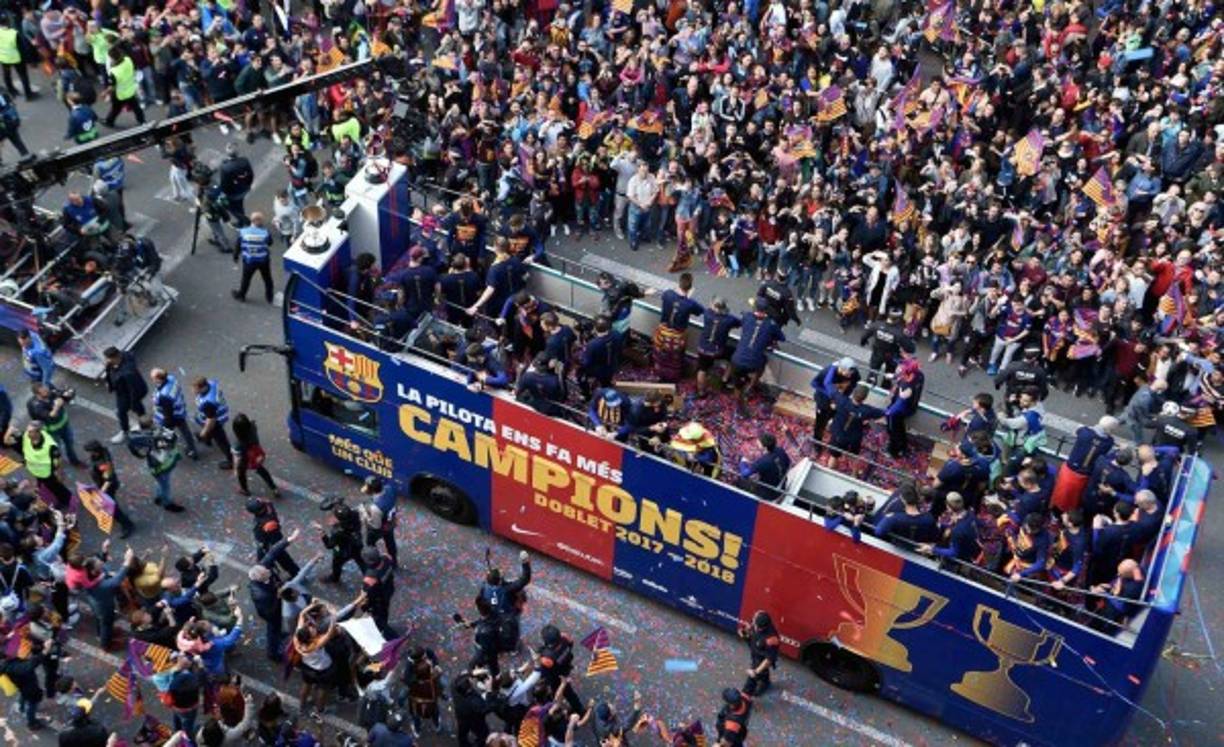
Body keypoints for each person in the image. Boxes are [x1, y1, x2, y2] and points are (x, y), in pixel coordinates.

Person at [1049, 417, 1120, 514]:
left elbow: (1078, 430)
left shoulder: (1085, 432)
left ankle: (1055, 513)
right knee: (1075, 498)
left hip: (1069, 470)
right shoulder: (1109, 442)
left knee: (1060, 494)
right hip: (1085, 474)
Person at [729, 299, 786, 416]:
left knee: (737, 385)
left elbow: (742, 323)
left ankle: (738, 404)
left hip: (737, 360)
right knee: (762, 363)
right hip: (754, 363)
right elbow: (782, 338)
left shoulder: (746, 316)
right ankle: (751, 387)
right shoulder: (771, 324)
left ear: (754, 308)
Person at [653, 272, 703, 382]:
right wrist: (688, 297)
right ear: (690, 288)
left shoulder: (668, 294)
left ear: (679, 283)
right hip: (678, 336)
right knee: (675, 357)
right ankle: (673, 378)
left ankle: (659, 374)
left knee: (660, 354)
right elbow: (700, 311)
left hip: (663, 332)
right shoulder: (690, 303)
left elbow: (667, 297)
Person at [127, 419, 184, 512]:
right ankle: (167, 503)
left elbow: (133, 448)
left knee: (160, 483)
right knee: (165, 485)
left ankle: (159, 497)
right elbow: (170, 441)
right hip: (162, 465)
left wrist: (141, 455)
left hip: (153, 465)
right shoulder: (155, 436)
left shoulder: (136, 435)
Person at [83, 440, 135, 538]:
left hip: (107, 487)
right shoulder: (101, 454)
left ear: (96, 451)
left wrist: (101, 493)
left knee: (112, 507)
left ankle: (127, 525)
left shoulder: (103, 463)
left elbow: (108, 479)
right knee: (111, 504)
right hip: (103, 483)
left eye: (90, 451)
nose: (89, 454)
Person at [26, 382, 83, 466]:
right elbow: (51, 416)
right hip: (53, 431)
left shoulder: (49, 393)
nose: (47, 392)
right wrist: (57, 406)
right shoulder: (36, 406)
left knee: (69, 444)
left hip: (65, 425)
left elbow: (59, 393)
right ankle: (56, 462)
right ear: (38, 395)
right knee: (56, 448)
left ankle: (74, 461)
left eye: (46, 389)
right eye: (44, 392)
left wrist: (67, 393)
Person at [102, 346, 148, 444]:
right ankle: (144, 423)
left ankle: (126, 431)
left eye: (108, 358)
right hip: (124, 390)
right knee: (138, 408)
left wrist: (132, 403)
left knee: (122, 412)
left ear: (114, 358)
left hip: (127, 393)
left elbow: (134, 389)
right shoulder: (123, 358)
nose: (107, 361)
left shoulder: (127, 372)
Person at [21, 421, 72, 508]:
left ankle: (66, 500)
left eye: (30, 431)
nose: (27, 433)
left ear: (38, 432)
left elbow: (58, 459)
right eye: (27, 430)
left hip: (48, 472)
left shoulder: (50, 445)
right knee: (42, 484)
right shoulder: (27, 436)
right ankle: (42, 486)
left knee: (56, 487)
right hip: (37, 470)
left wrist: (59, 473)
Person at [151, 368, 198, 459]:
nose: (152, 380)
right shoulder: (171, 378)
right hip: (179, 410)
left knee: (167, 436)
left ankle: (169, 453)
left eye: (153, 378)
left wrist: (166, 425)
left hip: (172, 417)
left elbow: (168, 413)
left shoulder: (164, 395)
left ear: (158, 379)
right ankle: (192, 449)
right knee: (185, 431)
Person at [813, 357, 861, 445]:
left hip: (839, 402)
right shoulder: (826, 372)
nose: (850, 376)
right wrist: (830, 394)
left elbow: (855, 382)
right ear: (841, 369)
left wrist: (845, 391)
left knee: (836, 419)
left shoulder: (854, 373)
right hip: (823, 401)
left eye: (851, 373)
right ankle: (817, 442)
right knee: (820, 423)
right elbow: (814, 383)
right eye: (848, 374)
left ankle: (832, 433)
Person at [859, 307, 915, 384]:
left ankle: (869, 385)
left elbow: (864, 336)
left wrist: (863, 342)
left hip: (877, 353)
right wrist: (908, 336)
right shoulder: (899, 333)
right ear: (898, 319)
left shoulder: (876, 325)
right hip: (892, 356)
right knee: (889, 376)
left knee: (873, 372)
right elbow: (911, 349)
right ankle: (885, 388)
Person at [230, 413, 279, 497]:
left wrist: (235, 469)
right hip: (256, 454)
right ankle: (273, 488)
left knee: (241, 474)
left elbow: (237, 457)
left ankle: (244, 489)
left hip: (245, 459)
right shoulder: (253, 428)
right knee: (261, 470)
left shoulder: (238, 443)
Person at [884, 358, 925, 458]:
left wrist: (888, 411)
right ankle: (902, 447)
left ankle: (894, 450)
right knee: (899, 428)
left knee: (893, 429)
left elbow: (900, 401)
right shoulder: (919, 376)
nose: (899, 370)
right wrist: (894, 376)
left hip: (899, 410)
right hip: (909, 407)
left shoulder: (907, 387)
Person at [232, 212, 274, 303]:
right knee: (267, 279)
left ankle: (241, 295)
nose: (263, 221)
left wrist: (235, 256)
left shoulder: (243, 232)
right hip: (263, 260)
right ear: (257, 221)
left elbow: (238, 245)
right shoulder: (265, 233)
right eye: (262, 219)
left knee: (246, 279)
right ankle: (269, 297)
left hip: (249, 261)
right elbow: (270, 243)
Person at [192, 377, 233, 469]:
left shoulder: (208, 403)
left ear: (202, 388)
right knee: (210, 432)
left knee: (222, 442)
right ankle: (208, 439)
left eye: (195, 389)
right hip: (219, 413)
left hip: (216, 422)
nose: (193, 391)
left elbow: (211, 421)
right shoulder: (211, 383)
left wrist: (203, 433)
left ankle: (231, 460)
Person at [738, 611, 780, 696]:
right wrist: (745, 634)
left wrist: (755, 671)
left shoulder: (771, 640)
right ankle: (765, 681)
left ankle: (745, 695)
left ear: (760, 628)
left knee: (753, 676)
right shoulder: (758, 620)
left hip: (761, 657)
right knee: (763, 672)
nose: (752, 623)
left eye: (754, 623)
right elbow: (750, 631)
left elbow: (769, 659)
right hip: (755, 650)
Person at [738, 434, 791, 501]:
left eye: (760, 442)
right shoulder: (780, 450)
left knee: (740, 482)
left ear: (765, 447)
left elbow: (744, 474)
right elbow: (788, 462)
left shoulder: (762, 462)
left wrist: (742, 462)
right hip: (782, 485)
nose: (757, 441)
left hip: (771, 495)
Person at [359, 476, 398, 566]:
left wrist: (364, 512)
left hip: (380, 527)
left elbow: (376, 526)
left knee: (370, 544)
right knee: (390, 542)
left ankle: (374, 561)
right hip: (390, 522)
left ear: (371, 491)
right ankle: (394, 562)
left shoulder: (375, 508)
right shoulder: (389, 489)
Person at [102, 45, 143, 126]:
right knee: (136, 107)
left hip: (120, 94)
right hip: (131, 89)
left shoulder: (113, 71)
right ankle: (142, 120)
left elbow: (112, 87)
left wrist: (105, 93)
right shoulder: (128, 60)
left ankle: (109, 122)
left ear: (112, 58)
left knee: (115, 109)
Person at [217, 142, 254, 225]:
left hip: (233, 193)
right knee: (239, 205)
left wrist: (224, 193)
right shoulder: (244, 160)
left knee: (233, 208)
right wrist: (248, 184)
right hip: (244, 188)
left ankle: (243, 221)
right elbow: (251, 175)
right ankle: (242, 219)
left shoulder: (225, 167)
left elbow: (224, 184)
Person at [0, 89, 32, 161]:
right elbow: (12, 105)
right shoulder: (2, 92)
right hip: (10, 122)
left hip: (3, 124)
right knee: (17, 141)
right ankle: (26, 156)